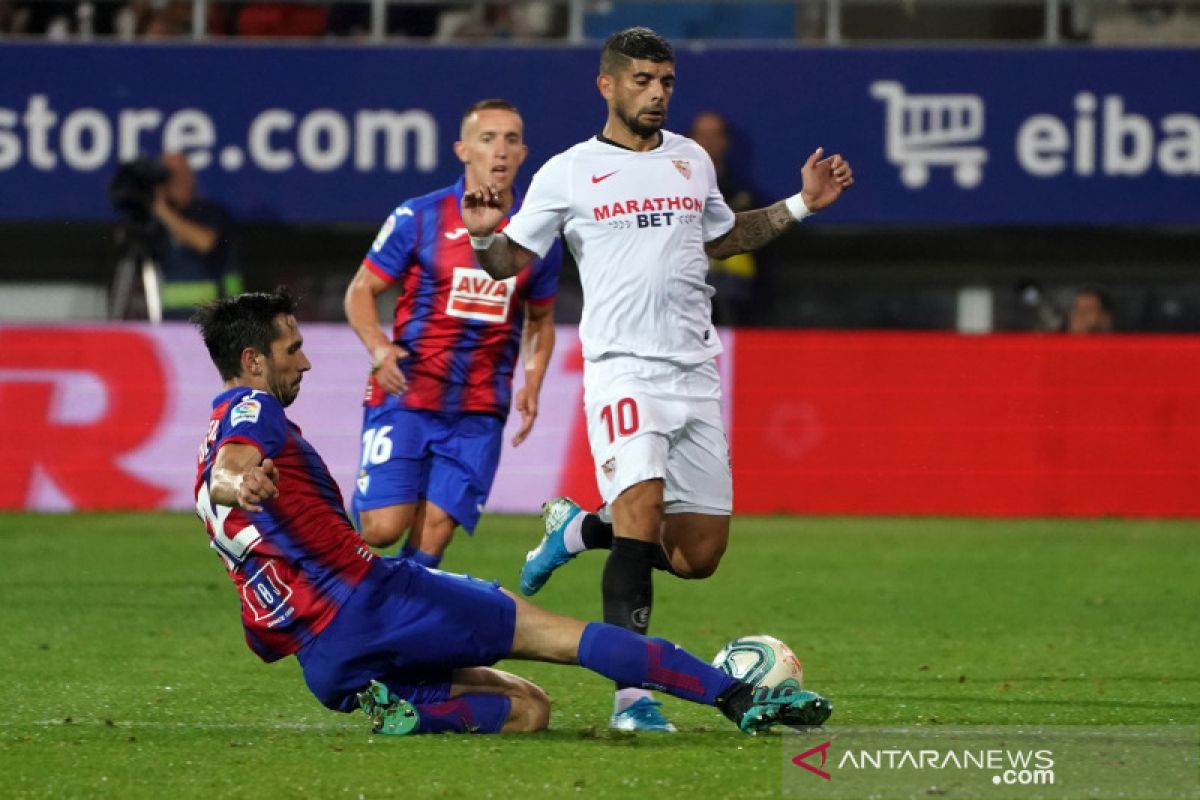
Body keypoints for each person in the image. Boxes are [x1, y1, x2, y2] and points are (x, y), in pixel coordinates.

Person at [190, 288, 833, 736]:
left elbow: (219, 472)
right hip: (372, 600)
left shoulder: (205, 444)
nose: (304, 358)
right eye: (291, 348)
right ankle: (736, 695)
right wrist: (241, 482)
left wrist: (232, 483)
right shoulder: (251, 412)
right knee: (560, 635)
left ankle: (410, 714)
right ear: (253, 362)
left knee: (529, 710)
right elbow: (233, 465)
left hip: (326, 659)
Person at [461, 27, 853, 732]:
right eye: (642, 80)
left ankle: (578, 529)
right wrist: (486, 235)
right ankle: (630, 699)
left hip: (694, 370)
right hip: (622, 369)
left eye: (666, 81)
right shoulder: (570, 171)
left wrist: (799, 205)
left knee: (697, 555)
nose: (657, 94)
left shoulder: (691, 161)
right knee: (641, 519)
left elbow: (724, 236)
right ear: (606, 85)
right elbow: (504, 263)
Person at [343, 99, 562, 569]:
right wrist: (380, 349)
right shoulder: (418, 217)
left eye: (510, 140)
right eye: (487, 139)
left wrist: (533, 380)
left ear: (524, 153)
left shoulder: (538, 234)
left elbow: (541, 322)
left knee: (435, 534)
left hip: (479, 407)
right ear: (463, 150)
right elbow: (361, 290)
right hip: (408, 393)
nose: (499, 151)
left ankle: (393, 624)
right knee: (381, 529)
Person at [689, 110, 760, 326]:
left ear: (726, 142)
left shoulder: (745, 196)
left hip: (734, 297)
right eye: (702, 135)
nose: (708, 143)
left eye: (714, 135)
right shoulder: (668, 192)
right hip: (682, 291)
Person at [150, 153, 240, 319]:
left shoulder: (209, 211)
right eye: (170, 175)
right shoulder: (154, 222)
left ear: (193, 177)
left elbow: (205, 242)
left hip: (216, 319)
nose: (177, 180)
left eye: (183, 174)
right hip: (169, 324)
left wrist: (161, 210)